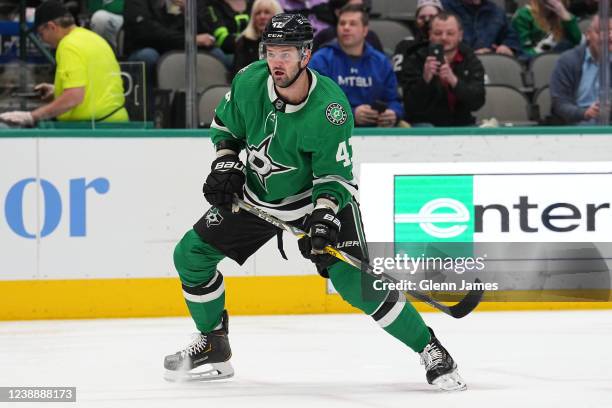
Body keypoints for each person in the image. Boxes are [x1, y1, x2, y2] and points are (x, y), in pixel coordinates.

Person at [163, 12, 466, 392]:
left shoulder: (331, 109)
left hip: (318, 202)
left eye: (287, 53)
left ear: (306, 55)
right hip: (259, 197)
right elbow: (227, 129)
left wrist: (323, 221)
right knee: (190, 255)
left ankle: (431, 348)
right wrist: (226, 162)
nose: (277, 61)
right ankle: (213, 343)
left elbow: (333, 179)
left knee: (356, 285)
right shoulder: (248, 80)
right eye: (271, 51)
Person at [0, 1, 128, 126]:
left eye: (41, 34)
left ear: (52, 26)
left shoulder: (68, 45)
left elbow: (74, 97)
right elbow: (96, 83)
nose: (42, 40)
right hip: (116, 122)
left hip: (96, 128)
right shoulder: (93, 38)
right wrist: (58, 90)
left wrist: (32, 116)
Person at [309, 4, 403, 127]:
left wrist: (393, 113)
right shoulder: (321, 60)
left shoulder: (381, 62)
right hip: (332, 132)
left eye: (352, 24)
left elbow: (394, 100)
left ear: (365, 30)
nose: (346, 28)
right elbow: (313, 106)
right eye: (342, 23)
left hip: (376, 134)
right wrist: (351, 114)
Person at [401, 12, 485, 126]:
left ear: (460, 35)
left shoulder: (470, 59)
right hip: (425, 125)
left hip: (461, 125)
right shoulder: (415, 58)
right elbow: (410, 107)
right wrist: (425, 80)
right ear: (430, 34)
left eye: (450, 33)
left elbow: (477, 102)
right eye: (438, 33)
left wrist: (453, 81)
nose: (444, 38)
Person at [550, 16, 612, 125]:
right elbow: (559, 103)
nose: (606, 38)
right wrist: (585, 113)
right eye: (600, 32)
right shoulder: (568, 61)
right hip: (576, 127)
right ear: (588, 35)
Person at [441, 0, 521, 57]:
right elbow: (443, 42)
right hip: (459, 69)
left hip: (492, 66)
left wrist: (507, 47)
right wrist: (472, 55)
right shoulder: (444, 8)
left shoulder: (496, 11)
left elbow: (512, 37)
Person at [393, 0, 443, 87]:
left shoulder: (451, 44)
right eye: (422, 17)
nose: (427, 21)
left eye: (432, 17)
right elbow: (398, 79)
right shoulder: (405, 46)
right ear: (416, 20)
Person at [512, 0, 582, 57]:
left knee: (567, 45)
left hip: (561, 60)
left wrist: (564, 14)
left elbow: (578, 41)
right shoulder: (524, 15)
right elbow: (524, 51)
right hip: (536, 61)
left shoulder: (564, 15)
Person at [232, 0, 283, 77]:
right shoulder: (244, 41)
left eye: (267, 12)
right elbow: (238, 74)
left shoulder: (287, 42)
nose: (262, 17)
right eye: (258, 13)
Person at [312, 0, 384, 53]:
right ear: (338, 12)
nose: (346, 28)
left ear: (365, 30)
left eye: (362, 8)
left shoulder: (372, 37)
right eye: (355, 8)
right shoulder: (325, 37)